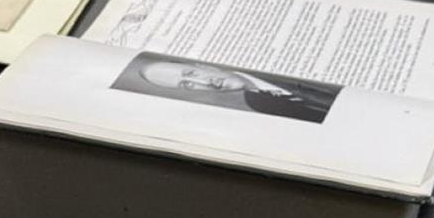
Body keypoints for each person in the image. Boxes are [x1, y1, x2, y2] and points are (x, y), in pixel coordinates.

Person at [135, 59, 335, 123]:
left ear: (202, 65)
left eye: (190, 72)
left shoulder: (267, 60)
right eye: (187, 84)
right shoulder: (260, 105)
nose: (204, 82)